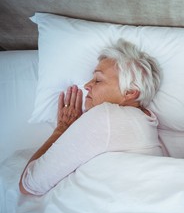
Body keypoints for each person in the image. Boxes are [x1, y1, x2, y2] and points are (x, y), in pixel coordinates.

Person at [19, 39, 163, 195]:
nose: (87, 85)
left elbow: (29, 185)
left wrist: (61, 129)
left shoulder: (105, 116)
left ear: (129, 92)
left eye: (98, 80)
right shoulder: (148, 120)